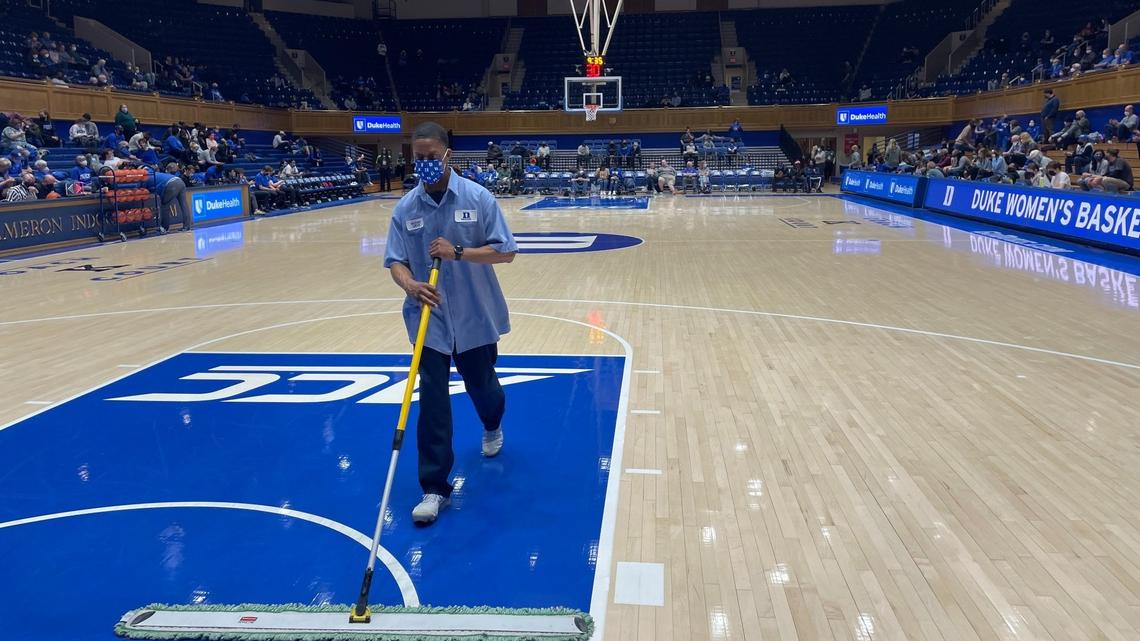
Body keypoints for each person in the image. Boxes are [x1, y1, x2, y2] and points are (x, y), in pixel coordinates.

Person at [382, 121, 518, 525]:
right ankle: (434, 487)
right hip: (429, 321)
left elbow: (506, 251)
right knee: (433, 402)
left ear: (446, 155)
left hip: (475, 316)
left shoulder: (478, 197)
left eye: (430, 156)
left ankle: (492, 424)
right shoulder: (405, 209)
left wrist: (458, 252)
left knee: (485, 390)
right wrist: (410, 284)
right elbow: (395, 260)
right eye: (417, 157)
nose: (424, 163)